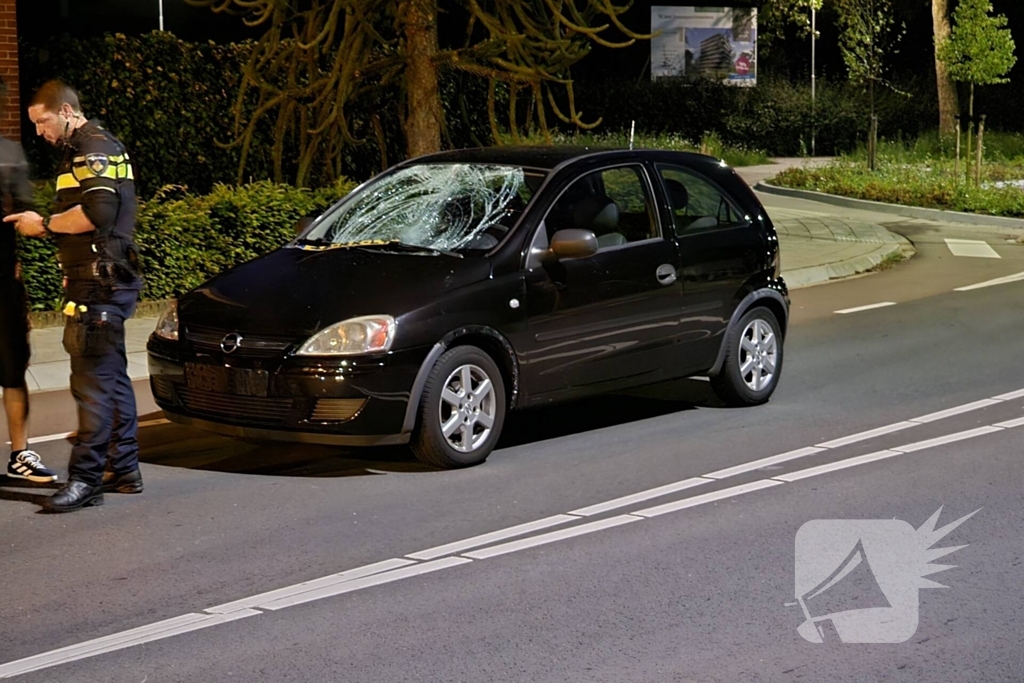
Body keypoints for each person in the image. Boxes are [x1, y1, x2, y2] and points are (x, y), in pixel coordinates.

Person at [4, 80, 144, 512]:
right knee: (112, 378)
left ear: (66, 112)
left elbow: (97, 213)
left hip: (98, 285)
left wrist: (43, 223)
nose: (40, 132)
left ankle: (86, 480)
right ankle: (124, 468)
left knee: (91, 386)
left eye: (43, 121)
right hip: (103, 280)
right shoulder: (91, 148)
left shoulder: (92, 148)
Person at [0, 76, 59, 484]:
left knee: (13, 367)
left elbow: (26, 213)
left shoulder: (7, 153)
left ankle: (20, 453)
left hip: (3, 281)